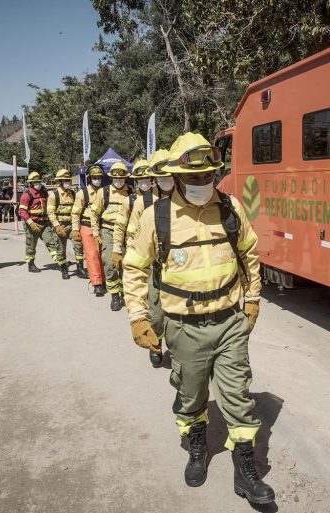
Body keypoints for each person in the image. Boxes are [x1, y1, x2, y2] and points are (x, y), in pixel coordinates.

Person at [122, 133, 273, 505]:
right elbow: (134, 269)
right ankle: (198, 448)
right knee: (191, 397)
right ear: (175, 177)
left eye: (208, 176)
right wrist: (139, 317)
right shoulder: (155, 217)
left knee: (238, 396)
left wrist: (252, 299)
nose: (202, 184)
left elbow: (249, 255)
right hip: (183, 327)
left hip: (230, 322)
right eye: (193, 178)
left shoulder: (230, 208)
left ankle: (246, 471)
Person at [114, 149, 172, 368]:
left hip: (179, 265)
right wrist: (119, 249)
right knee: (156, 313)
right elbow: (127, 229)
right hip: (152, 263)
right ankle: (156, 344)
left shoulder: (183, 198)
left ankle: (178, 348)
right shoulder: (141, 202)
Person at [89, 161, 130, 311]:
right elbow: (94, 213)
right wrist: (95, 232)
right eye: (116, 178)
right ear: (111, 177)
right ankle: (114, 296)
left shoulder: (130, 192)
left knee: (126, 264)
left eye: (122, 178)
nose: (119, 181)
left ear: (126, 178)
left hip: (126, 232)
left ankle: (125, 293)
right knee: (109, 262)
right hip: (107, 230)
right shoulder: (103, 192)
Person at [70, 164, 107, 295]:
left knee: (104, 256)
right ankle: (96, 283)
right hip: (87, 226)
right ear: (90, 178)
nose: (97, 180)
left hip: (103, 227)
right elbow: (75, 213)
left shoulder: (106, 192)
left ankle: (105, 280)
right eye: (94, 177)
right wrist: (75, 229)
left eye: (99, 177)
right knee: (92, 255)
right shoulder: (82, 193)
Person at [18, 171, 61, 273]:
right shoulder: (26, 195)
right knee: (31, 245)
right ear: (31, 183)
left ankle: (60, 262)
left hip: (44, 223)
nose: (38, 184)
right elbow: (22, 211)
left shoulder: (44, 192)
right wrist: (30, 223)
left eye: (38, 182)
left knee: (51, 242)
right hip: (32, 223)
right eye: (35, 182)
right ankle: (31, 264)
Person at [47, 168, 82, 280]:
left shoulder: (73, 193)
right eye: (65, 180)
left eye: (68, 180)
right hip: (60, 225)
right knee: (60, 249)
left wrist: (76, 227)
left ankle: (80, 268)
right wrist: (57, 226)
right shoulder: (54, 195)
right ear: (60, 181)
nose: (67, 182)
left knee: (78, 244)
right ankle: (63, 269)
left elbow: (77, 210)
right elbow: (50, 212)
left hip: (71, 224)